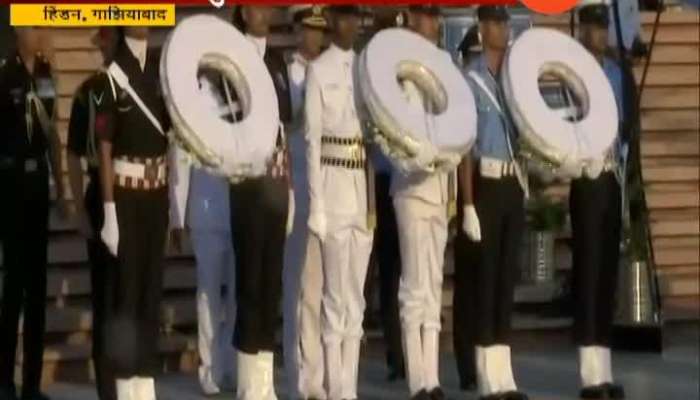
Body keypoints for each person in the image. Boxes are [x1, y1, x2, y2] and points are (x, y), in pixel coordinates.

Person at [387, 5, 461, 400]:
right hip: (412, 185)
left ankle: (433, 378)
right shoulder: (398, 67)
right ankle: (417, 378)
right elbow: (396, 129)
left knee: (433, 286)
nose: (432, 22)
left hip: (438, 188)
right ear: (411, 19)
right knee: (414, 287)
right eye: (425, 15)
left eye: (435, 15)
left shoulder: (445, 65)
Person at [95, 27, 170, 400]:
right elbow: (104, 148)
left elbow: (173, 137)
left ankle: (145, 382)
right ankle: (125, 387)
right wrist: (109, 210)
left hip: (156, 196)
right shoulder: (111, 75)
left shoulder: (162, 69)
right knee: (126, 296)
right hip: (125, 197)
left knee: (150, 292)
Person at [458, 6, 529, 400]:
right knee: (484, 282)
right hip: (484, 185)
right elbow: (465, 151)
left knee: (505, 280)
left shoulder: (515, 81)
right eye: (496, 24)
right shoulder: (470, 82)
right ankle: (487, 374)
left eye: (505, 23)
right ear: (482, 30)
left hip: (512, 183)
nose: (502, 29)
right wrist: (467, 204)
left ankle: (505, 374)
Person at [304, 6, 372, 399]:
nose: (351, 24)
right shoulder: (320, 69)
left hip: (362, 187)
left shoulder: (367, 69)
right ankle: (333, 386)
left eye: (355, 17)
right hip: (331, 183)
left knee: (356, 297)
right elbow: (312, 141)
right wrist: (316, 206)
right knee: (333, 297)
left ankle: (350, 386)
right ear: (331, 22)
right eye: (344, 17)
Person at [229, 6, 291, 399]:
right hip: (247, 181)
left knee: (271, 285)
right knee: (250, 282)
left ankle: (265, 381)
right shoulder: (232, 58)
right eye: (253, 6)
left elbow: (285, 127)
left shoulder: (276, 60)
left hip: (275, 181)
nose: (262, 12)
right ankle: (248, 382)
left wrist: (292, 189)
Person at [0, 26, 64, 400]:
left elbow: (52, 132)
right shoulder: (4, 74)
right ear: (18, 30)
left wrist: (62, 188)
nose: (41, 32)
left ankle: (32, 386)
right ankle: (5, 379)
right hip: (9, 184)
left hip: (38, 184)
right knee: (13, 287)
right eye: (34, 25)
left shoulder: (45, 76)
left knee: (37, 288)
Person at [569, 4, 628, 399]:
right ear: (582, 30)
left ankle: (604, 369)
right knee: (588, 270)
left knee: (607, 271)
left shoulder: (616, 72)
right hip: (586, 176)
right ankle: (589, 373)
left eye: (604, 28)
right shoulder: (571, 71)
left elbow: (626, 124)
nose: (600, 35)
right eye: (593, 28)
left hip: (611, 175)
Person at [168, 70, 239, 396]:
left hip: (238, 209)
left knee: (236, 296)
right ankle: (209, 369)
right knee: (209, 294)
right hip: (205, 210)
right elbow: (180, 160)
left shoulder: (238, 90)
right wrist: (177, 216)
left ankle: (230, 365)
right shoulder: (191, 99)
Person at [65, 27, 119, 400]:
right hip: (100, 193)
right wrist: (78, 208)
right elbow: (72, 153)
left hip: (135, 192)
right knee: (105, 297)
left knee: (128, 295)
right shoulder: (90, 91)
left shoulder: (140, 85)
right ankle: (107, 388)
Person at [281, 5, 328, 400]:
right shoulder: (285, 74)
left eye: (318, 29)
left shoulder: (330, 70)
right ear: (296, 29)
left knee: (320, 290)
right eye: (307, 28)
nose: (313, 36)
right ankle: (297, 377)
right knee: (296, 289)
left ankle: (317, 377)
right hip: (295, 186)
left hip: (326, 190)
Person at [452, 23, 481, 394]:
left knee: (488, 282)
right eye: (471, 57)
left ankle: (484, 356)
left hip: (492, 185)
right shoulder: (461, 91)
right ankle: (465, 364)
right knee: (469, 283)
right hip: (467, 193)